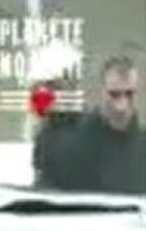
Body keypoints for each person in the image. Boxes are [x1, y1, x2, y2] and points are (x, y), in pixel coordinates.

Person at [37, 56, 146, 194]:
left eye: (129, 94)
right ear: (101, 93)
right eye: (114, 95)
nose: (122, 106)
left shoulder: (142, 148)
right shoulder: (68, 146)